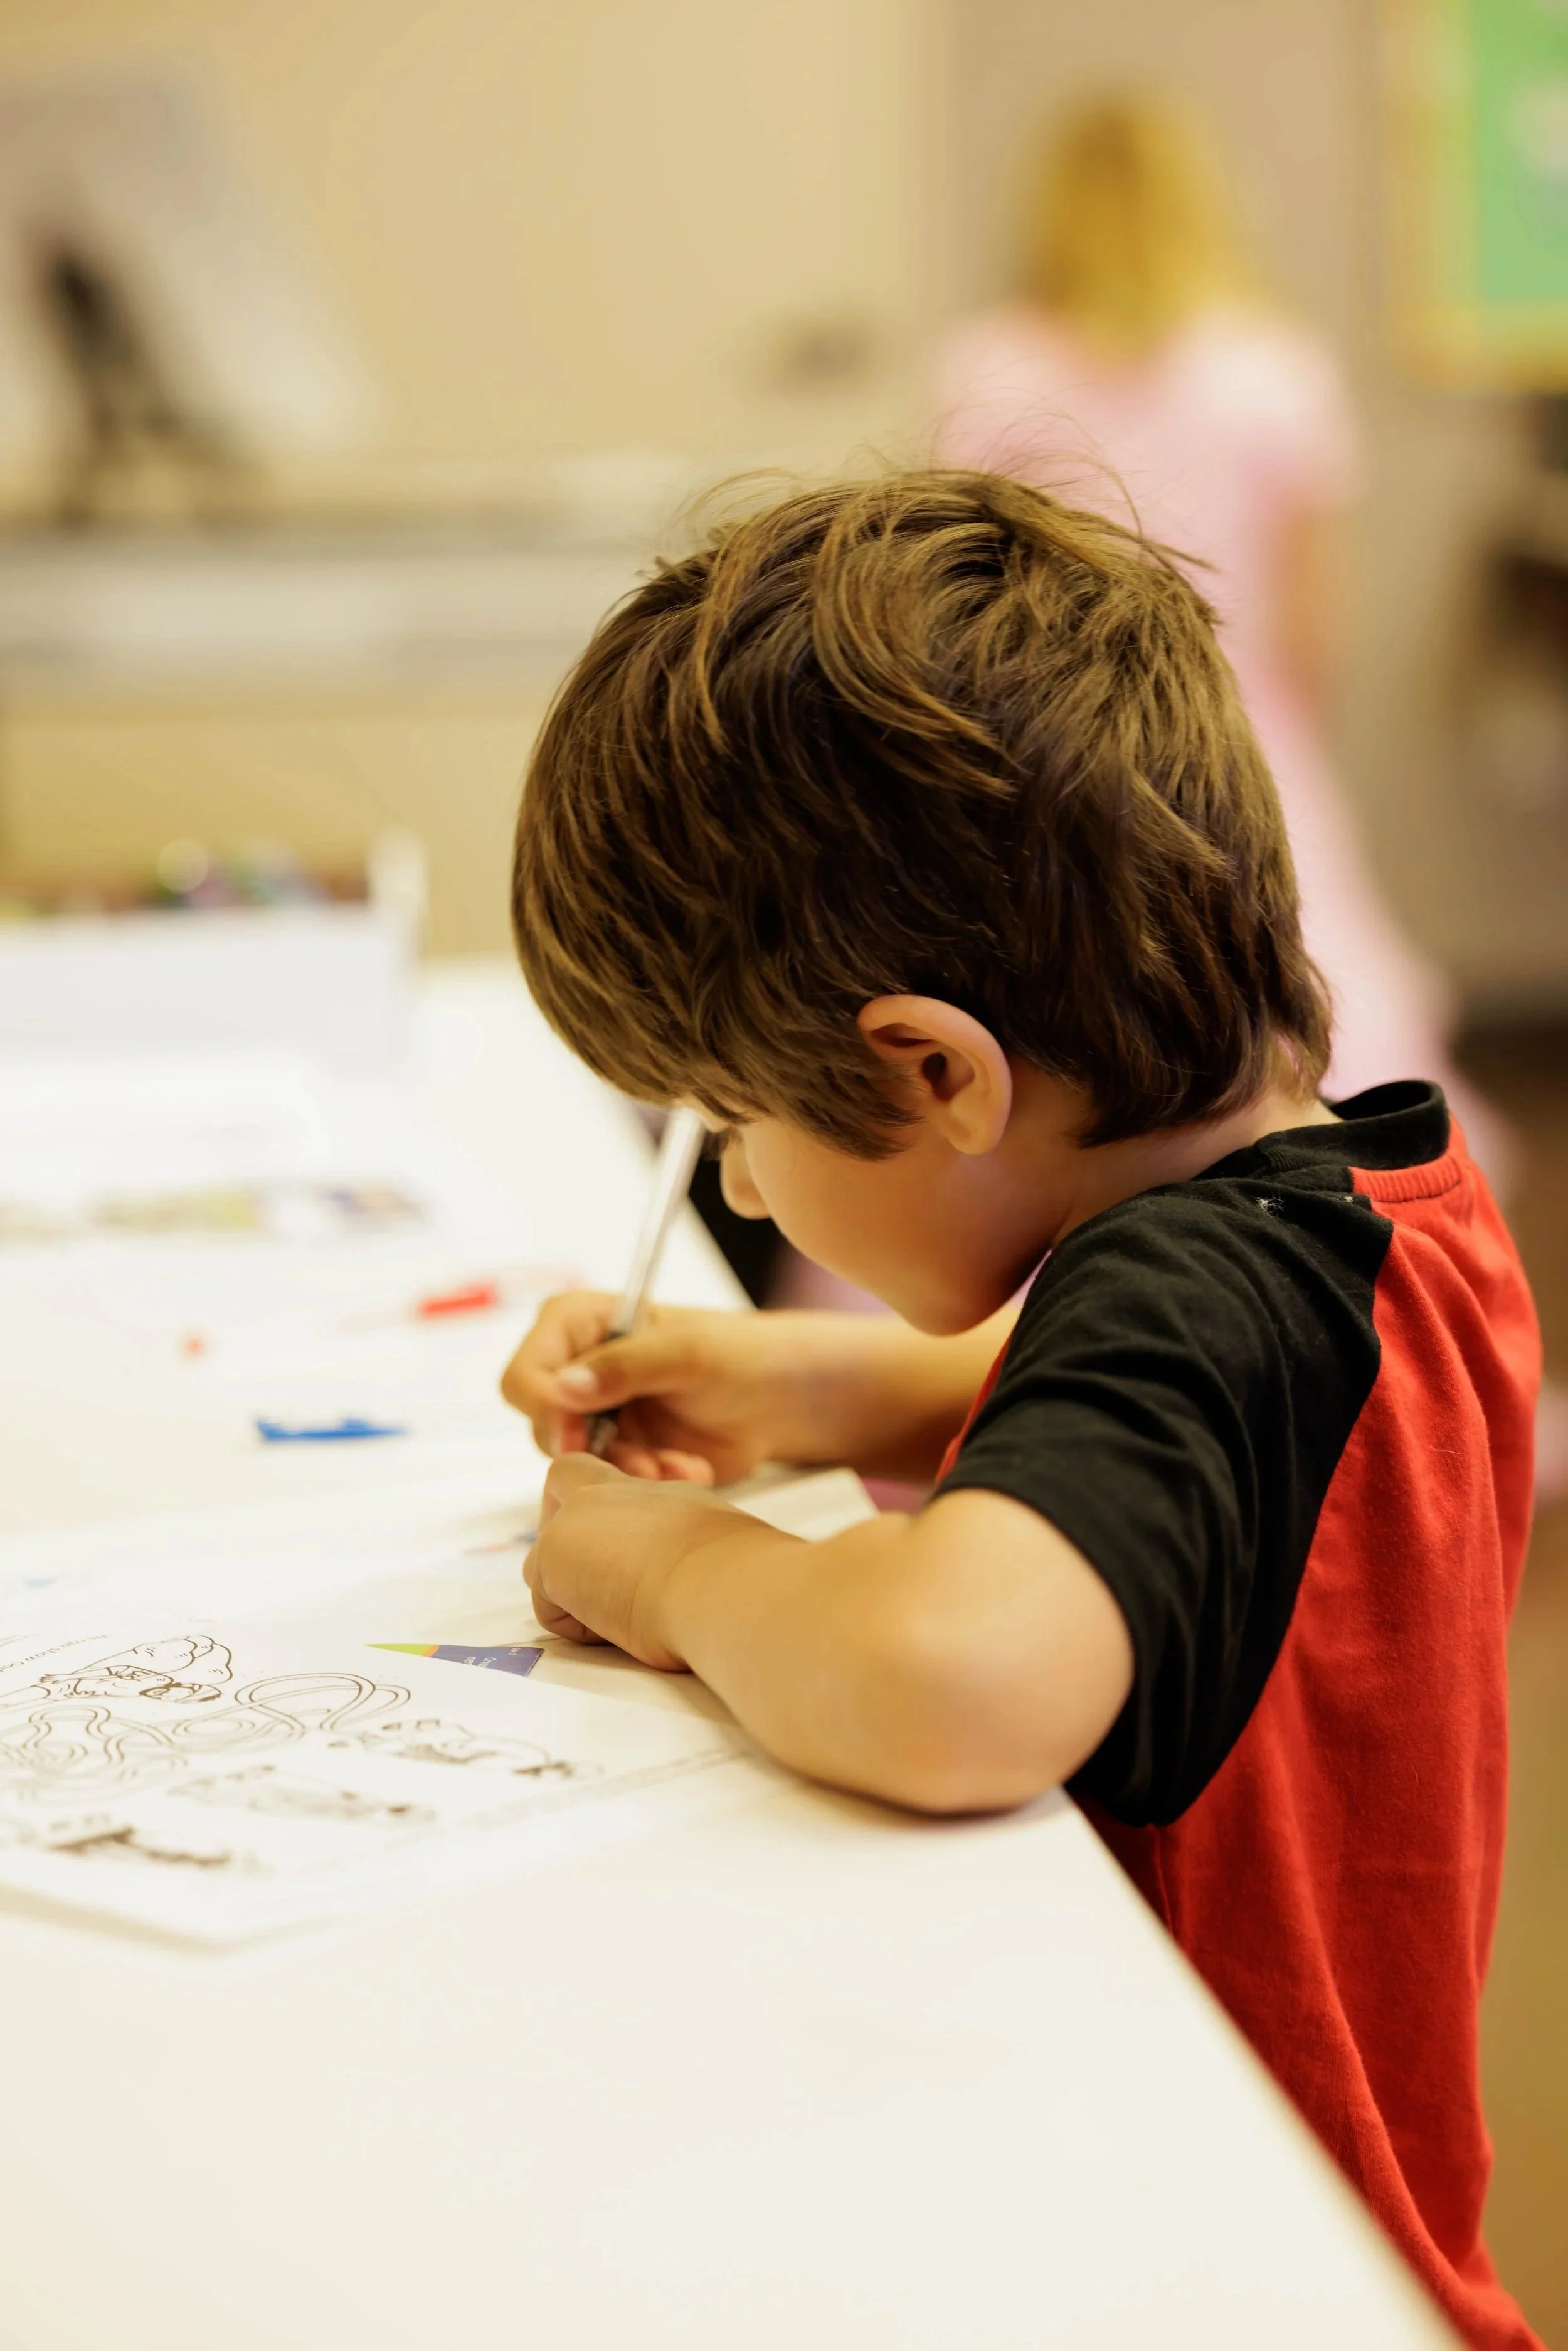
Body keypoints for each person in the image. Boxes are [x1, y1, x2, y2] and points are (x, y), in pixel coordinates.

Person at [501, 472, 1540, 2351]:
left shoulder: (1183, 1300)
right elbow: (1222, 1463)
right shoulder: (1381, 1212)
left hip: (1215, 2261)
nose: (737, 1190)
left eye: (738, 1124)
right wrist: (807, 1387)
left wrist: (670, 1567)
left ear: (929, 1068)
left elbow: (950, 1680)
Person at [931, 93, 1513, 1181]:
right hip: (1235, 727)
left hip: (1048, 739)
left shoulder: (990, 367)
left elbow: (969, 593)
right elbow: (1312, 624)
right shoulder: (1271, 372)